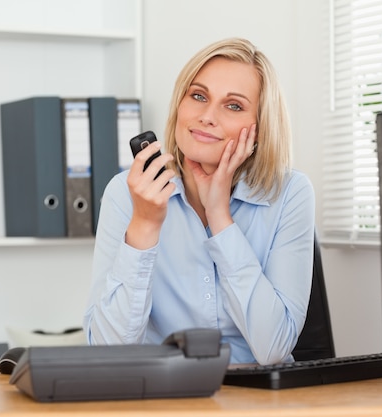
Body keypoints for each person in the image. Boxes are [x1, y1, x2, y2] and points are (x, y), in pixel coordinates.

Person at [82, 37, 315, 365]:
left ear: (260, 128)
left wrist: (220, 217)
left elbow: (273, 349)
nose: (207, 116)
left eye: (233, 105)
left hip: (256, 398)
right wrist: (145, 225)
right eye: (198, 96)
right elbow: (108, 353)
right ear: (180, 104)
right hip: (160, 396)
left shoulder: (289, 192)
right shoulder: (126, 192)